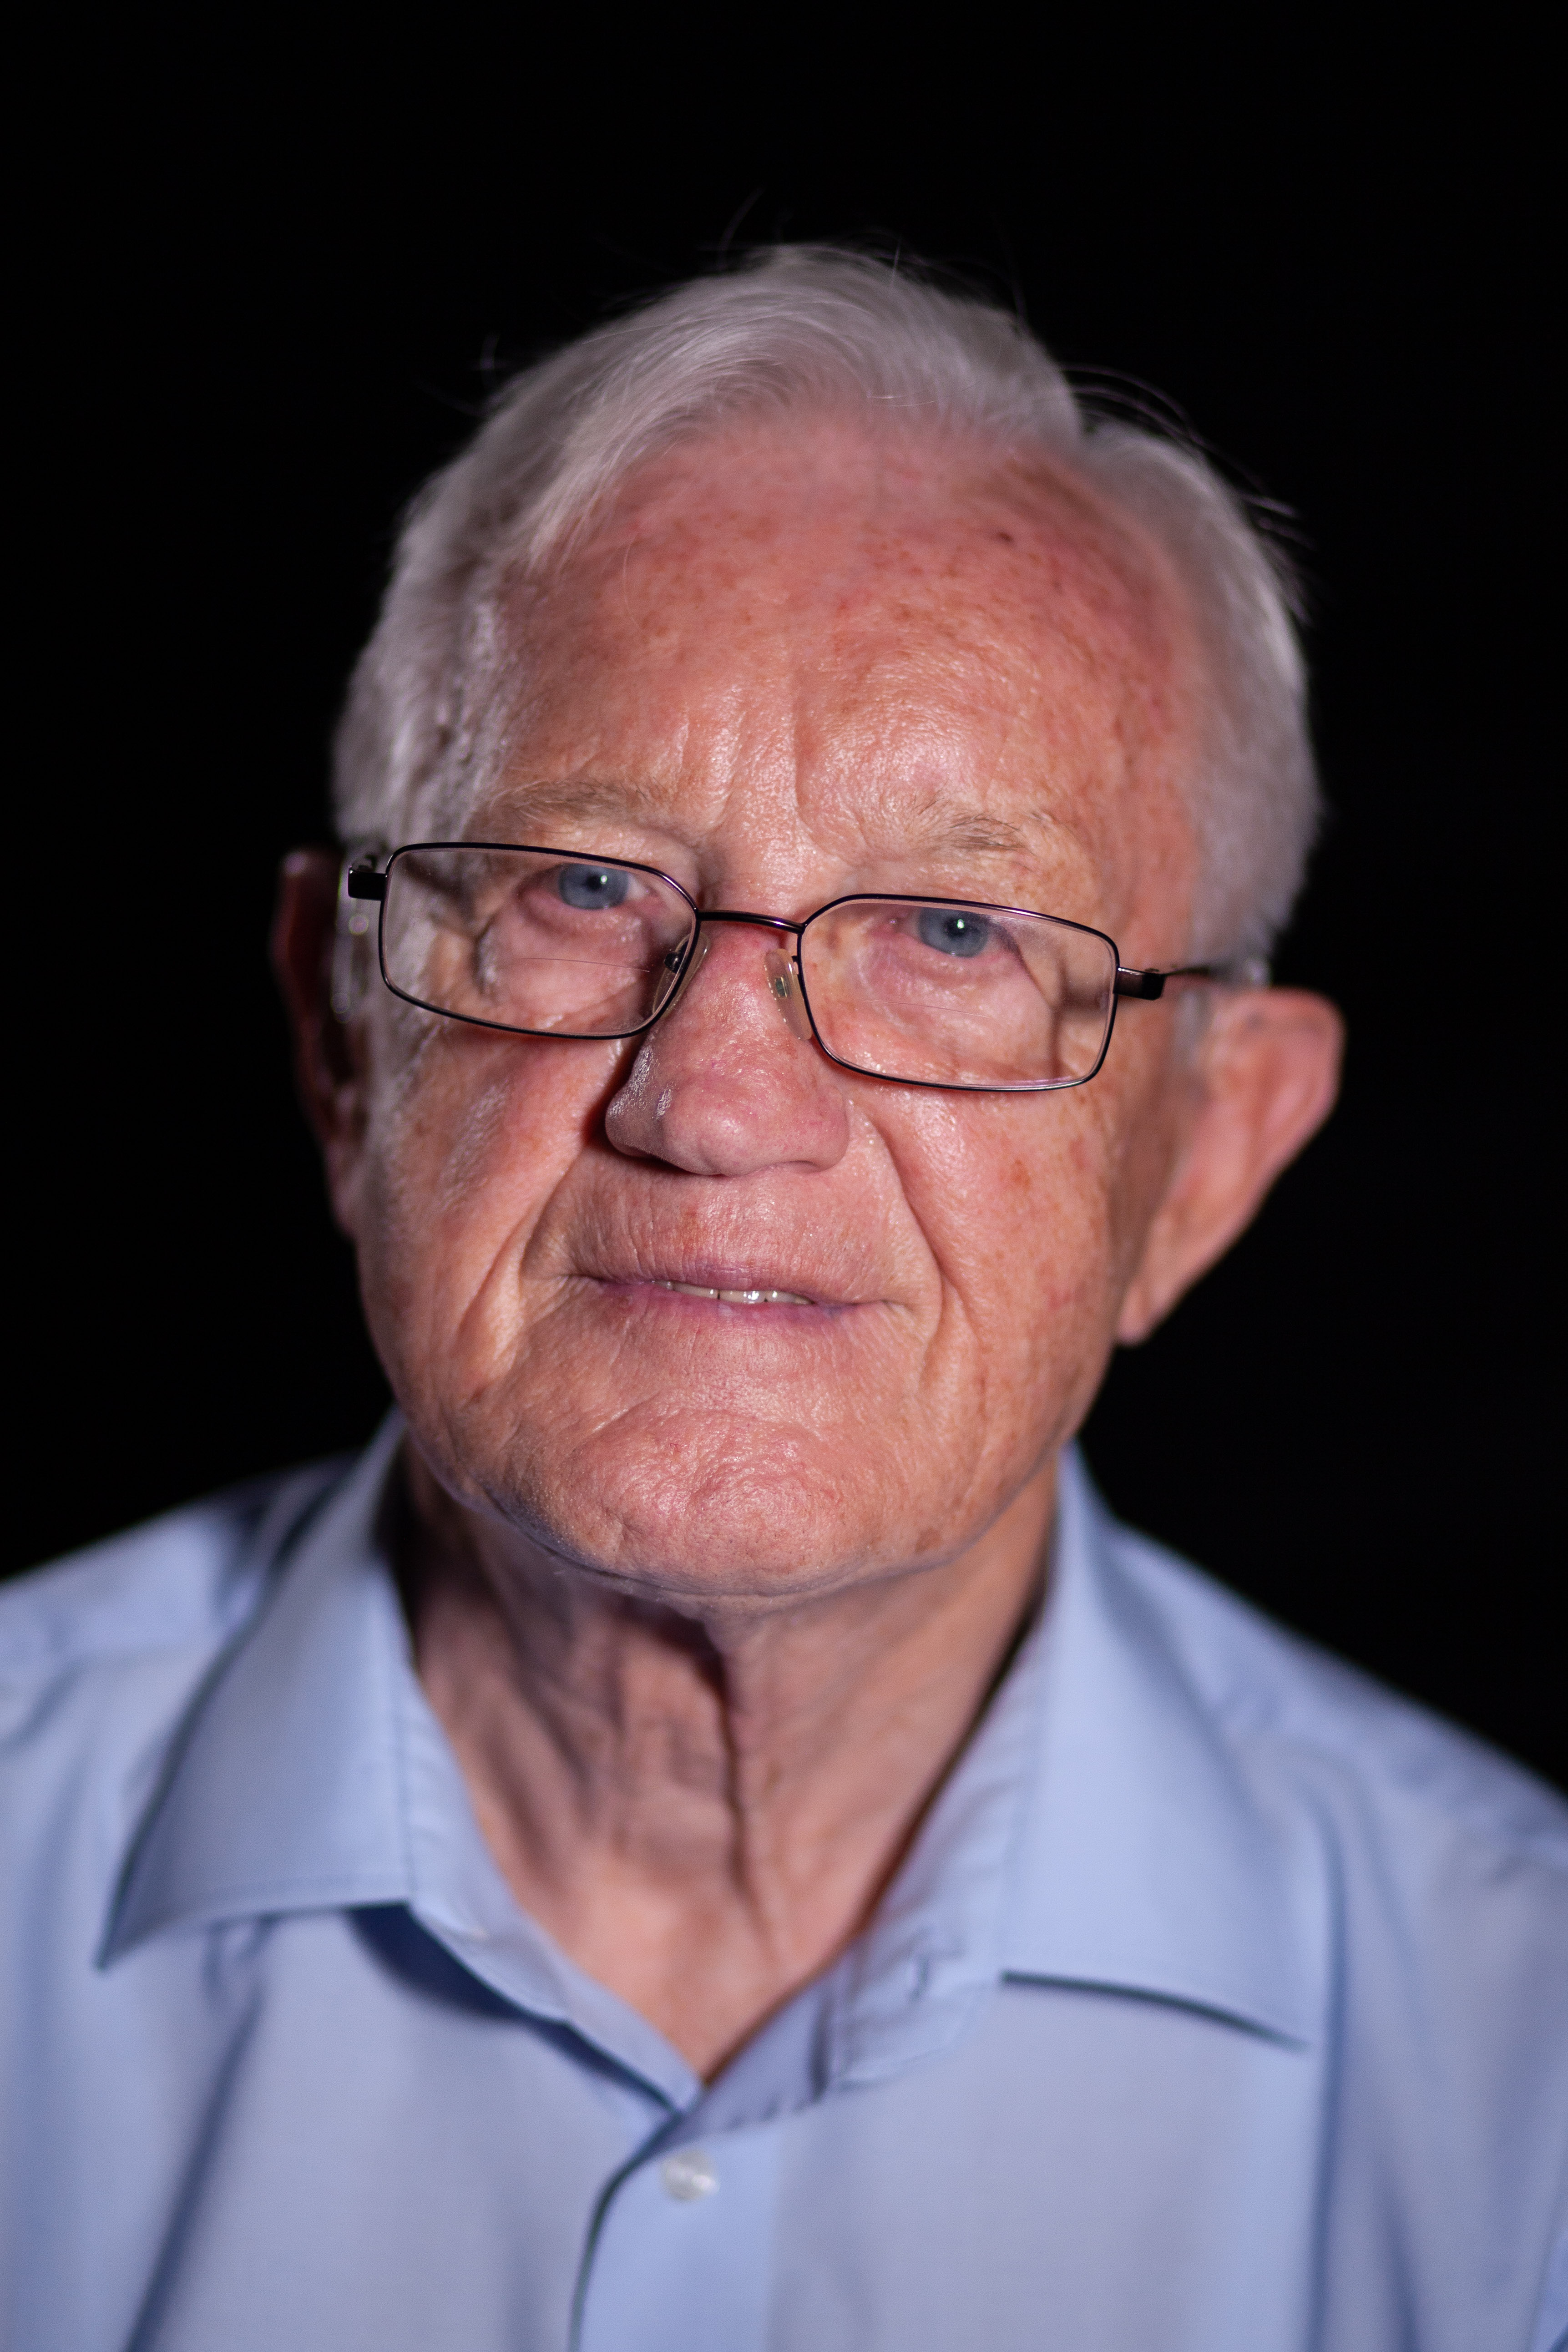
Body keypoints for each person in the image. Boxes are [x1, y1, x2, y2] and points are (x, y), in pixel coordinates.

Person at [3, 248, 1563, 2352]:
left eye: (952, 932)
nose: (717, 1101)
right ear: (341, 1038)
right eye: (580, 884)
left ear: (1207, 1154)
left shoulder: (1524, 2091)